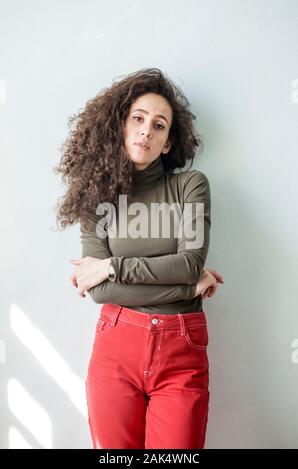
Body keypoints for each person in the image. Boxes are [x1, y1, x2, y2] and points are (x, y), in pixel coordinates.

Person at [54, 68, 224, 449]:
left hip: (182, 350)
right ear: (122, 127)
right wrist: (186, 287)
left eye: (159, 125)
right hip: (115, 349)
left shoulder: (190, 186)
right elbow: (99, 294)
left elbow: (189, 263)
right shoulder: (96, 199)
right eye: (138, 119)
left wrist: (112, 266)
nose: (147, 130)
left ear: (167, 143)